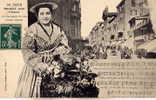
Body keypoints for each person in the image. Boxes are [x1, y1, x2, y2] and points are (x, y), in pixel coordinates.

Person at [15, 2, 71, 97]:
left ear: (52, 15)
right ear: (37, 15)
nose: (45, 16)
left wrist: (58, 55)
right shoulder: (32, 29)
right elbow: (26, 49)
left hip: (55, 65)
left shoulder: (58, 29)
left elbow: (64, 45)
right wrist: (38, 64)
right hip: (36, 67)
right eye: (42, 14)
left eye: (48, 13)